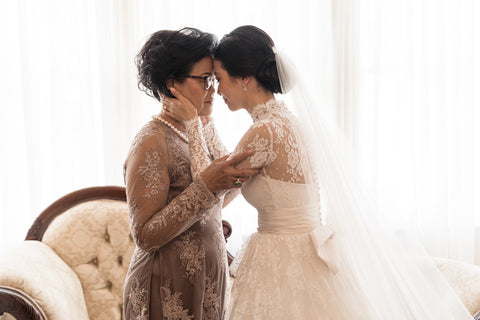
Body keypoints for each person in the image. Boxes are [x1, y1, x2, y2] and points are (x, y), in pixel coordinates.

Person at [168, 25, 474, 319]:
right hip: (310, 254)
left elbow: (207, 184)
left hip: (282, 260)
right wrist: (206, 123)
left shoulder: (264, 132)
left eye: (219, 79)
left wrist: (194, 122)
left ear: (245, 77)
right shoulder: (291, 124)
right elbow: (226, 175)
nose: (216, 89)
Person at [123, 27, 258, 320]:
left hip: (208, 280)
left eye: (215, 79)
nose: (215, 89)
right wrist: (205, 187)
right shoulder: (152, 139)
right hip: (165, 284)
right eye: (205, 80)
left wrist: (202, 125)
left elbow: (227, 189)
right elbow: (145, 235)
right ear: (173, 84)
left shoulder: (198, 127)